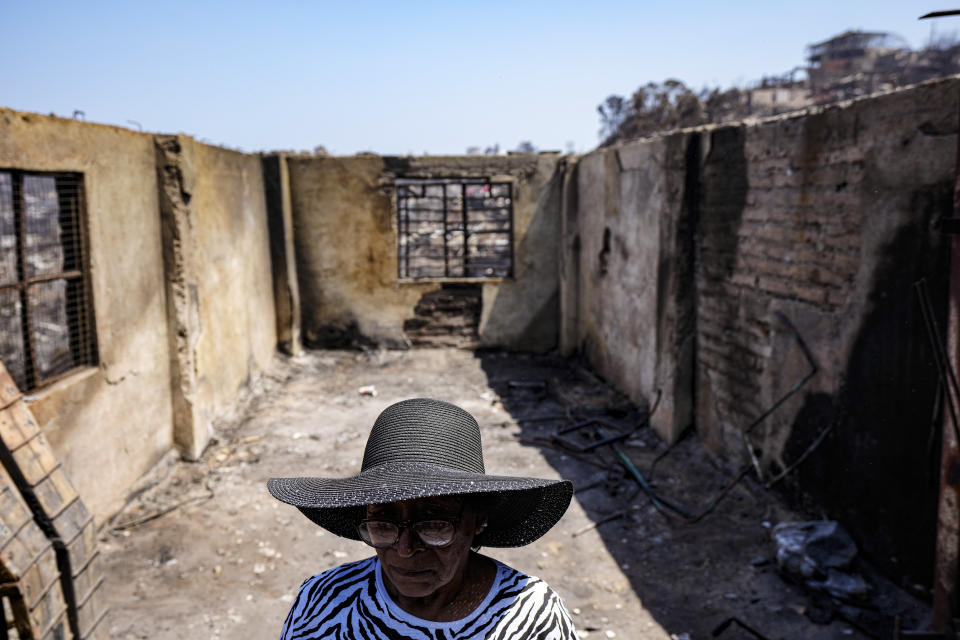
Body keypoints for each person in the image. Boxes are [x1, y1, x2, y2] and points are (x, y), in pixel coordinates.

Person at [268, 397, 579, 639]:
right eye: (383, 523)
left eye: (433, 524)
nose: (404, 549)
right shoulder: (324, 601)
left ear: (478, 520)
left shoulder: (530, 615)